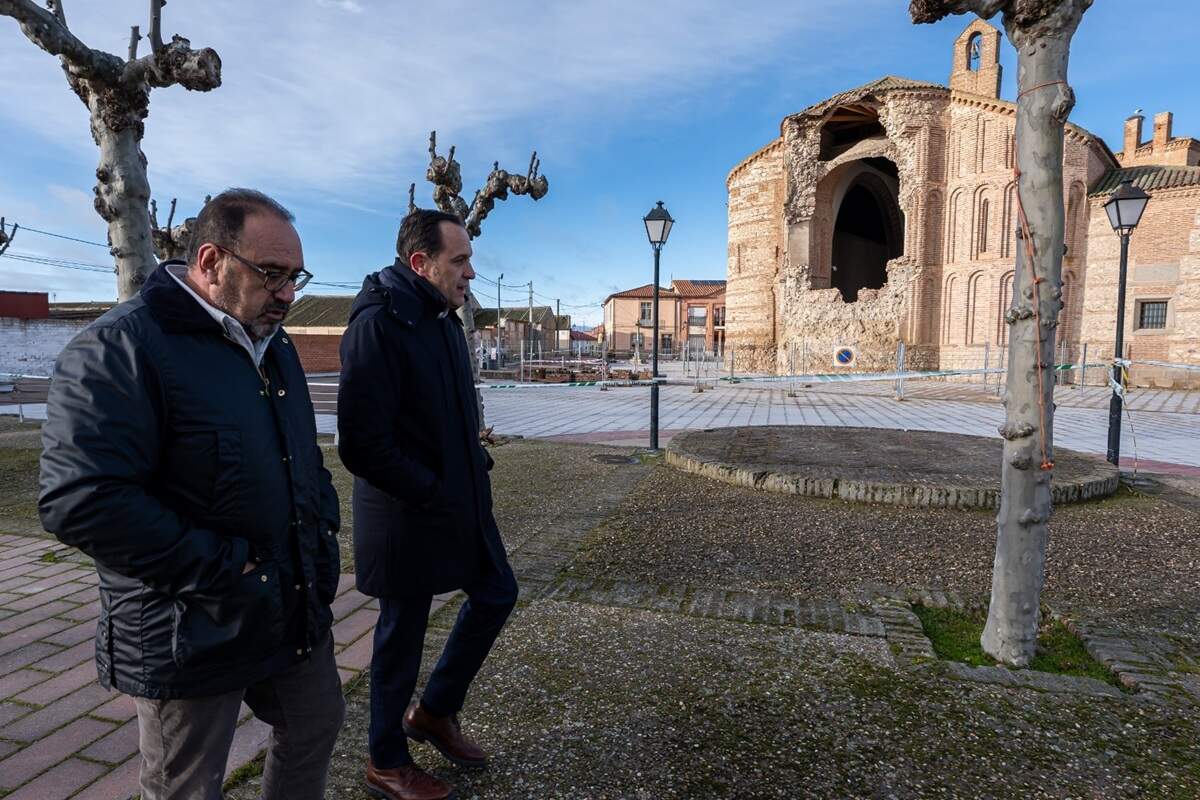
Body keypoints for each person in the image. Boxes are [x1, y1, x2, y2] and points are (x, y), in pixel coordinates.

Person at [38, 189, 344, 800]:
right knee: (188, 784)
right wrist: (226, 568)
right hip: (189, 624)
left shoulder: (274, 342)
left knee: (316, 724)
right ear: (210, 261)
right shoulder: (121, 346)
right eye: (272, 274)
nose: (288, 293)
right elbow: (80, 497)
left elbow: (301, 456)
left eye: (296, 276)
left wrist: (321, 532)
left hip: (289, 601)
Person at [338, 209, 518, 800]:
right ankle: (385, 761)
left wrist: (473, 460)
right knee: (401, 635)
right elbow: (361, 444)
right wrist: (431, 490)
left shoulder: (441, 317)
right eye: (459, 260)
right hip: (406, 512)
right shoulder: (377, 324)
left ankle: (435, 712)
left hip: (461, 498)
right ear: (421, 263)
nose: (471, 272)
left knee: (497, 592)